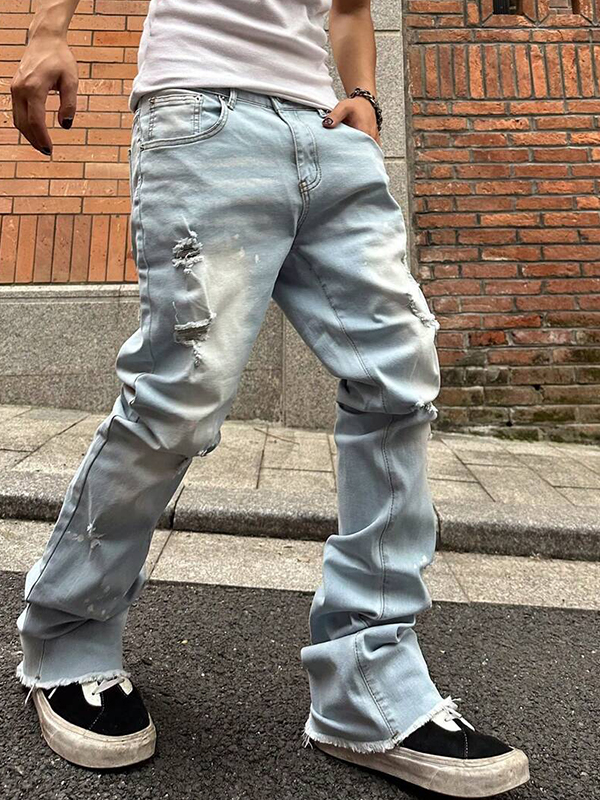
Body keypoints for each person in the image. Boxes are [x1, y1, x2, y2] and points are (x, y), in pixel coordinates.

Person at [11, 0, 530, 795]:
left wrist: (364, 97)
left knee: (400, 378)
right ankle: (69, 640)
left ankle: (366, 682)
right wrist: (48, 29)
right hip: (204, 114)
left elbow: (350, 9)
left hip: (328, 134)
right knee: (181, 396)